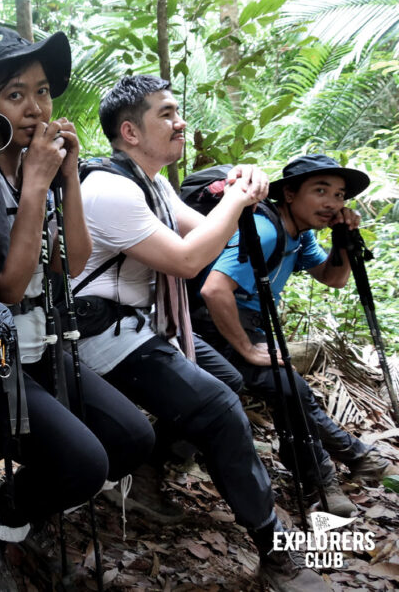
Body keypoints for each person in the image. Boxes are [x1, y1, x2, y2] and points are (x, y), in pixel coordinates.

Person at [73, 74, 326, 591]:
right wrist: (236, 201)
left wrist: (238, 195)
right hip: (93, 332)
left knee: (226, 383)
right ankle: (273, 546)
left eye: (176, 110)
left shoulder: (151, 181)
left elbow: (198, 228)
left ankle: (148, 473)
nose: (179, 120)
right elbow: (190, 262)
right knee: (217, 405)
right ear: (130, 131)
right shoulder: (108, 188)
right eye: (165, 114)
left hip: (135, 325)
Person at [0, 27, 154, 584]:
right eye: (15, 95)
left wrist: (68, 181)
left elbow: (71, 264)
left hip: (40, 346)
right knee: (84, 464)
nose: (36, 107)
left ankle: (17, 514)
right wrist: (35, 183)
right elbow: (7, 289)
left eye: (42, 91)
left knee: (133, 439)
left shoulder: (34, 168)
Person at [196, 154, 395, 510]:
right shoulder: (267, 229)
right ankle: (340, 466)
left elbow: (333, 278)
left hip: (246, 322)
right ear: (289, 194)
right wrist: (246, 349)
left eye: (338, 195)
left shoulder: (299, 237)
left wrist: (343, 237)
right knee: (289, 386)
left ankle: (328, 475)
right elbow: (213, 290)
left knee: (289, 389)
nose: (332, 203)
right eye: (321, 191)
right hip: (209, 325)